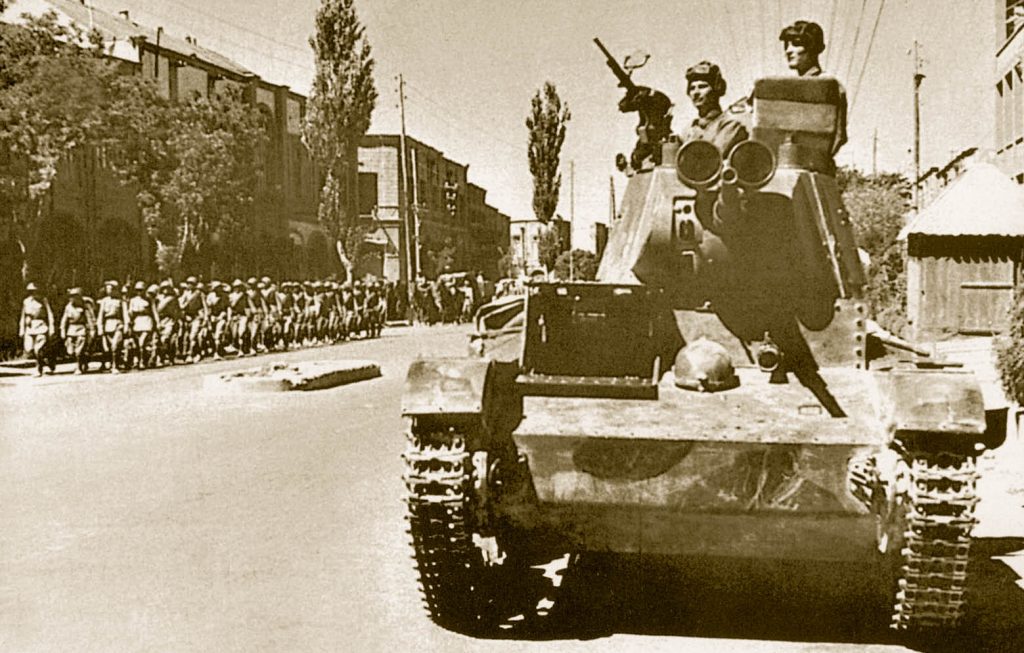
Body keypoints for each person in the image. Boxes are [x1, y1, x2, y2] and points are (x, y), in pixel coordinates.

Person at [779, 20, 847, 156]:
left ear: (812, 46)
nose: (788, 51)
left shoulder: (829, 86)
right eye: (786, 45)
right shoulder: (785, 88)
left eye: (796, 44)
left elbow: (838, 136)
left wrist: (815, 159)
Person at [679, 61, 748, 156]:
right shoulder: (688, 130)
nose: (696, 93)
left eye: (702, 86)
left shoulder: (731, 126)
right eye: (692, 88)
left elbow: (712, 159)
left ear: (717, 89)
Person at [19, 282, 55, 377]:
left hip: (41, 326)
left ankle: (39, 368)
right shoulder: (26, 301)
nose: (33, 293)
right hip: (30, 328)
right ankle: (46, 361)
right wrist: (21, 328)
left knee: (38, 349)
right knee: (29, 348)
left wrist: (51, 327)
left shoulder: (43, 300)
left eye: (34, 291)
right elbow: (23, 316)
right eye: (31, 291)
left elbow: (50, 314)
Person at [96, 281, 129, 373]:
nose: (108, 291)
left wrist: (126, 325)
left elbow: (125, 314)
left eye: (110, 289)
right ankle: (114, 363)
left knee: (115, 345)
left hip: (118, 324)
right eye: (107, 289)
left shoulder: (121, 301)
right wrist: (100, 327)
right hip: (108, 325)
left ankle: (115, 366)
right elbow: (100, 315)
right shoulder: (104, 301)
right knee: (111, 348)